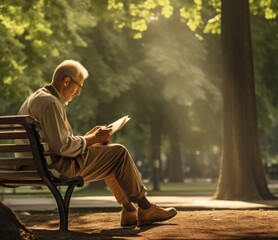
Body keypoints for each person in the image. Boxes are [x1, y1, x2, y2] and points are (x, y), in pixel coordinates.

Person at [17, 59, 177, 227]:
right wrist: (92, 139)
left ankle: (129, 211)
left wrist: (89, 139)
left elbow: (57, 143)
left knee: (104, 151)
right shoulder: (51, 103)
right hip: (56, 168)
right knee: (118, 153)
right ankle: (145, 208)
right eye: (78, 87)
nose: (78, 93)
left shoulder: (36, 98)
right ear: (66, 81)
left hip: (36, 165)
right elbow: (62, 147)